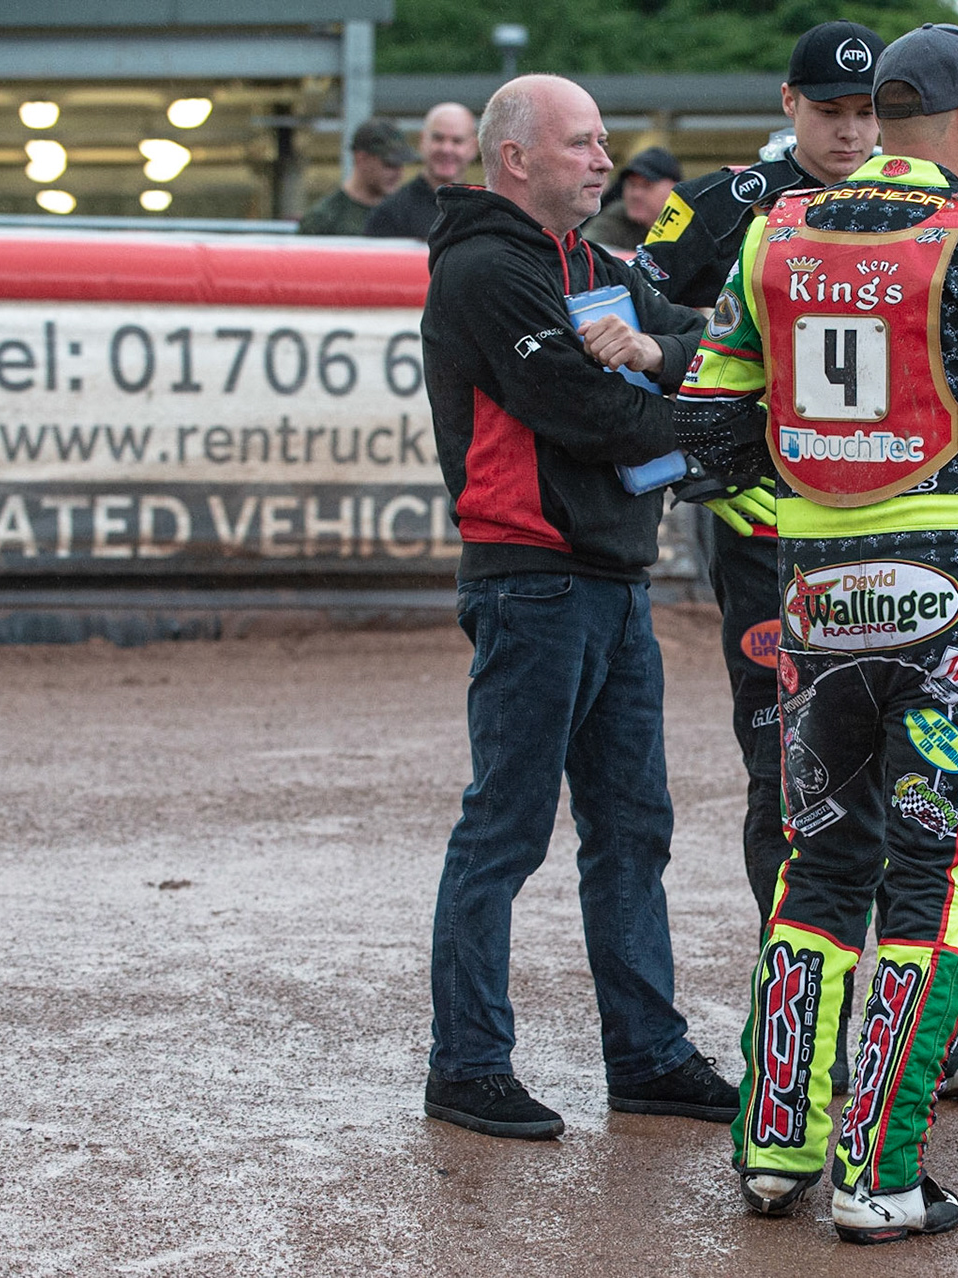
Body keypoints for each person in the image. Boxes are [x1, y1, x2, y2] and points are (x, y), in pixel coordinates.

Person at [670, 23, 958, 1241]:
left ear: (879, 116)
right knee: (936, 870)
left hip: (811, 596)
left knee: (820, 858)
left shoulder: (771, 235)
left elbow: (707, 437)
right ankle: (879, 1173)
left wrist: (806, 495)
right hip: (952, 594)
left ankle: (772, 1146)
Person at [629, 18, 958, 1100]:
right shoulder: (723, 212)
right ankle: (802, 1029)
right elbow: (628, 328)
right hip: (766, 546)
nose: (851, 132)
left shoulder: (940, 221)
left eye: (867, 111)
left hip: (912, 547)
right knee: (790, 782)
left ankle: (926, 1032)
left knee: (920, 778)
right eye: (831, 111)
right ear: (788, 105)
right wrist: (702, 419)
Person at [419, 73, 736, 1141]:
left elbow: (718, 360)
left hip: (600, 579)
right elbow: (582, 408)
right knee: (508, 831)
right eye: (583, 144)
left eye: (602, 143)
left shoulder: (595, 268)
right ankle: (467, 1067)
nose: (606, 161)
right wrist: (676, 397)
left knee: (631, 829)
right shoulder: (481, 266)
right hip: (533, 578)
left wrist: (656, 358)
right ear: (515, 158)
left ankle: (645, 1056)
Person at [365, 102, 478, 238]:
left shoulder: (484, 213)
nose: (446, 149)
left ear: (473, 148)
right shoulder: (390, 215)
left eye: (457, 141)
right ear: (422, 141)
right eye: (438, 138)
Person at [297, 118, 417, 235]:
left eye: (400, 164)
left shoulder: (405, 215)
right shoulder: (324, 219)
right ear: (362, 159)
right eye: (389, 164)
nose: (397, 173)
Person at [583, 146, 683, 252]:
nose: (636, 194)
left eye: (647, 185)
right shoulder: (619, 214)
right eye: (632, 184)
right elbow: (588, 251)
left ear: (674, 188)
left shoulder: (690, 220)